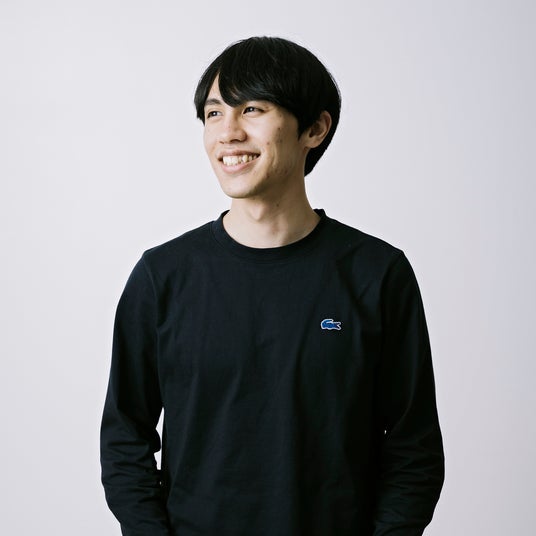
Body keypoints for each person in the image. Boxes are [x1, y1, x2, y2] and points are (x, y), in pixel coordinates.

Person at [100, 36, 444, 536]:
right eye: (214, 113)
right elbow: (124, 436)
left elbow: (415, 447)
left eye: (252, 109)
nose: (228, 132)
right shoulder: (162, 276)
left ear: (315, 128)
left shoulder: (376, 274)